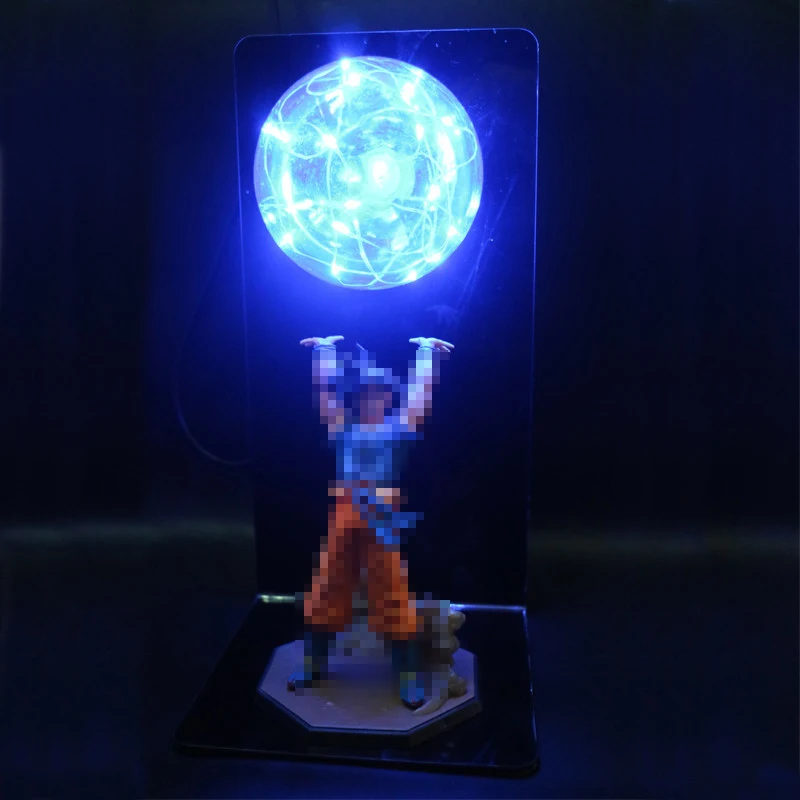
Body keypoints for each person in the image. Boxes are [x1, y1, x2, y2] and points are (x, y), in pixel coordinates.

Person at [288, 334, 454, 709]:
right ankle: (313, 665)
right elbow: (326, 397)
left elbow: (419, 397)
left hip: (381, 513)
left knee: (392, 591)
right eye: (364, 394)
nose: (371, 400)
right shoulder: (342, 428)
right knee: (327, 587)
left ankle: (407, 675)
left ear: (388, 397)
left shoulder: (399, 428)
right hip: (345, 510)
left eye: (378, 393)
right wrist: (324, 352)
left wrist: (426, 353)